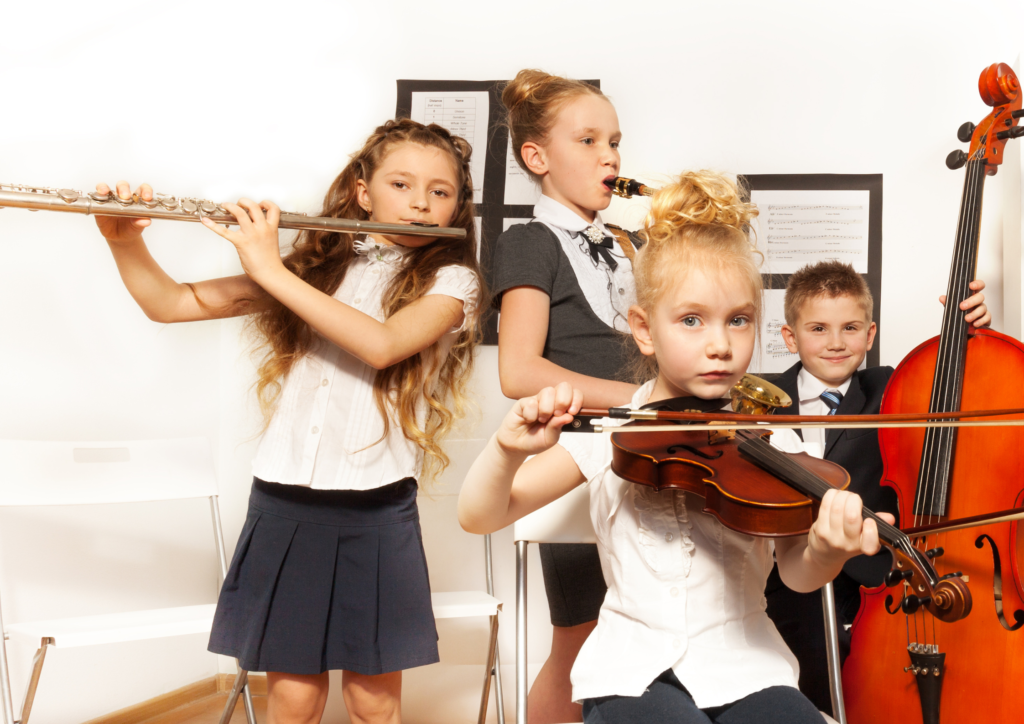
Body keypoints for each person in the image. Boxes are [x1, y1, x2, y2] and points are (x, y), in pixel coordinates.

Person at [460, 171, 890, 724]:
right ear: (644, 329)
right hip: (631, 674)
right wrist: (506, 449)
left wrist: (829, 549)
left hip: (749, 668)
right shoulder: (620, 433)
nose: (719, 344)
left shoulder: (774, 442)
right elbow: (480, 515)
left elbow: (796, 573)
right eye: (691, 320)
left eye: (738, 321)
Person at [94, 119, 482, 724]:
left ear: (459, 205)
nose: (421, 204)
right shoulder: (316, 269)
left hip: (375, 509)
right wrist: (124, 241)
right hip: (285, 501)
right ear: (362, 192)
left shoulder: (451, 281)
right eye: (402, 184)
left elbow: (380, 345)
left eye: (440, 192)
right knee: (294, 701)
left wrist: (269, 267)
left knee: (373, 704)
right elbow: (171, 304)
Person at [764, 259, 989, 714]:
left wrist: (965, 337)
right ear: (790, 337)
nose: (835, 343)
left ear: (869, 335)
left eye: (850, 328)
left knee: (870, 697)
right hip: (783, 580)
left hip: (872, 585)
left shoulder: (891, 387)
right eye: (818, 328)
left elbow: (955, 390)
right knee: (793, 693)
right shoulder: (760, 397)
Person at [490, 68, 641, 724]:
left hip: (638, 459)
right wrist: (638, 401)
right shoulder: (530, 241)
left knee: (643, 627)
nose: (609, 156)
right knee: (578, 636)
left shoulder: (627, 245)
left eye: (614, 141)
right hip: (575, 463)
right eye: (588, 140)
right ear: (537, 157)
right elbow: (519, 372)